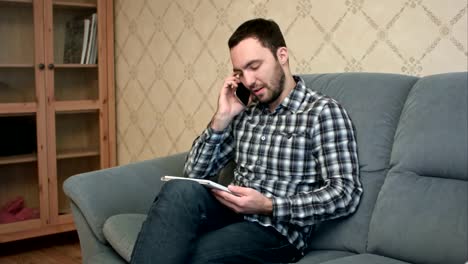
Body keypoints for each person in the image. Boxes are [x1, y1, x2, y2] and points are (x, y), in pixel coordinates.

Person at [130, 18, 363, 264]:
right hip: (229, 213)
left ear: (281, 55)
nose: (249, 81)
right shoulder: (245, 113)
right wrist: (222, 117)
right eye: (240, 72)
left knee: (189, 255)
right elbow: (194, 173)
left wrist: (269, 205)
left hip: (276, 231)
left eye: (255, 66)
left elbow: (345, 193)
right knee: (178, 189)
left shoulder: (321, 112)